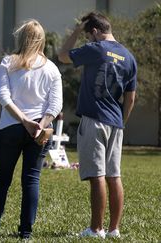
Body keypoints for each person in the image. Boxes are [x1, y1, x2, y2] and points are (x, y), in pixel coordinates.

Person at [58, 12, 137, 239]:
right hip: (116, 122)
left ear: (94, 31)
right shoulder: (129, 57)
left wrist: (75, 30)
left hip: (94, 119)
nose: (88, 40)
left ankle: (95, 229)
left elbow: (63, 55)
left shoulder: (96, 49)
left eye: (88, 35)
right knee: (114, 176)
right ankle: (114, 229)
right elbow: (131, 98)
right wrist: (121, 121)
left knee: (97, 176)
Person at [0, 19, 63, 240]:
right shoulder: (52, 68)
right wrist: (40, 125)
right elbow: (55, 105)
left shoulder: (8, 62)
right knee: (31, 180)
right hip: (39, 131)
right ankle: (25, 234)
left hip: (10, 127)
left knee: (1, 181)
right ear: (41, 40)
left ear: (22, 38)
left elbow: (3, 97)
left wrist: (24, 120)